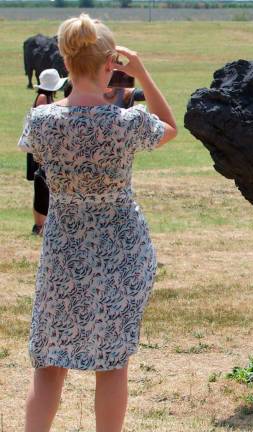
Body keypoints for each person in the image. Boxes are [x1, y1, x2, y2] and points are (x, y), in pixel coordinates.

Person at [18, 14, 177, 432]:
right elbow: (170, 128)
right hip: (122, 248)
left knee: (49, 363)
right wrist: (141, 72)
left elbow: (38, 151)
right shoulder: (127, 124)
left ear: (65, 62)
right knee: (111, 363)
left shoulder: (41, 121)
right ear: (112, 64)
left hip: (63, 249)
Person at [27, 69, 68, 236]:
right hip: (41, 148)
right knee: (42, 183)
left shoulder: (45, 97)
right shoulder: (44, 98)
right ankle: (39, 225)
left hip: (44, 147)